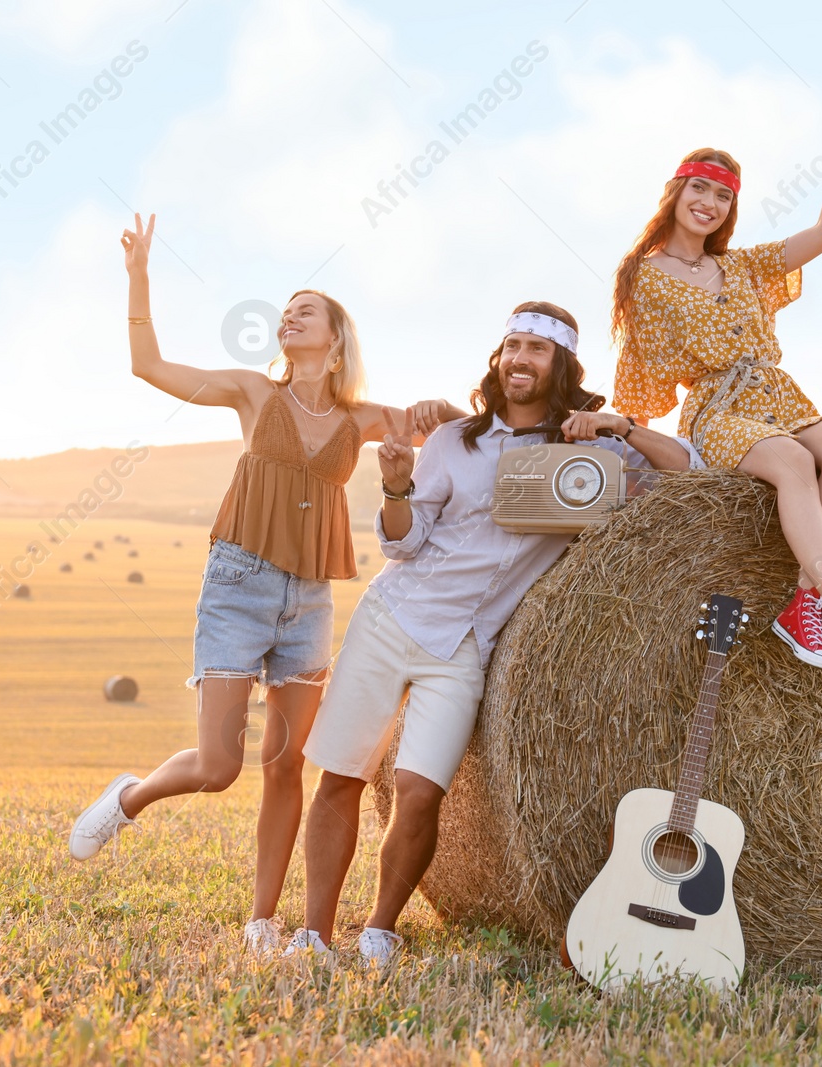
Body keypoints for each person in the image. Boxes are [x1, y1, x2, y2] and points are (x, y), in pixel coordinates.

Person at [67, 212, 464, 955]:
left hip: (309, 598)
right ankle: (131, 795)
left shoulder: (362, 418)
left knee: (285, 762)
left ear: (335, 339)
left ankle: (263, 917)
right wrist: (138, 276)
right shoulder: (254, 393)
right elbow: (148, 367)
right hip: (239, 585)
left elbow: (445, 430)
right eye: (286, 310)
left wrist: (444, 415)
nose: (290, 315)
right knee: (219, 766)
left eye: (305, 309)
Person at [285, 301, 703, 966]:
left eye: (537, 349)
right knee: (342, 774)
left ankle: (380, 930)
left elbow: (691, 468)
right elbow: (404, 542)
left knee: (421, 792)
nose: (520, 359)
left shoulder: (590, 448)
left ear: (561, 364)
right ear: (497, 358)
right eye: (512, 345)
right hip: (393, 618)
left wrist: (620, 424)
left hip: (468, 646)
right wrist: (396, 489)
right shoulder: (457, 440)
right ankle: (311, 934)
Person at [609, 71, 822, 674]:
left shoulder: (745, 268)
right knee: (795, 462)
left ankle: (804, 607)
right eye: (699, 188)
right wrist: (621, 431)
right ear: (674, 193)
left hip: (777, 397)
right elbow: (640, 378)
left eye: (722, 196)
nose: (709, 203)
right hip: (717, 411)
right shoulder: (645, 278)